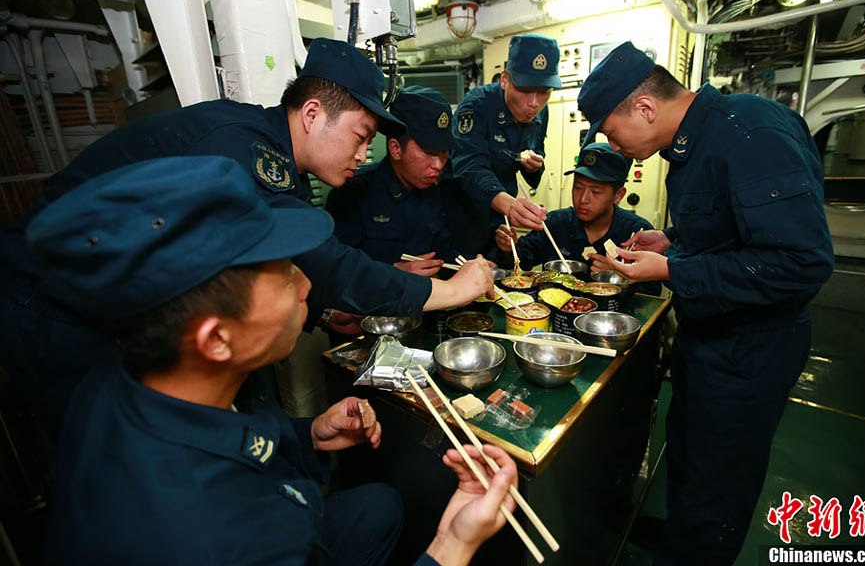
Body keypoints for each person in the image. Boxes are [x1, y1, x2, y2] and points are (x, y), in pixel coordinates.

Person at [32, 156, 518, 566]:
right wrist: (454, 541)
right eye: (286, 275)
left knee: (380, 504)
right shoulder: (229, 535)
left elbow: (227, 434)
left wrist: (307, 435)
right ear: (216, 338)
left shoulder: (118, 382)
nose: (306, 285)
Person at [0, 37, 493, 435]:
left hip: (103, 299)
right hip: (49, 301)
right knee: (106, 452)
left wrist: (324, 311)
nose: (365, 153)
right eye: (361, 135)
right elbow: (328, 263)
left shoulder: (280, 163)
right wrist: (451, 290)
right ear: (313, 114)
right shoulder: (247, 150)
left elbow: (281, 266)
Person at [578, 42, 834, 564]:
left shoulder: (749, 135)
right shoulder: (694, 142)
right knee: (690, 452)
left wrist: (673, 269)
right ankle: (681, 537)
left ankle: (698, 550)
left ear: (644, 109)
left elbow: (800, 261)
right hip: (709, 336)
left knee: (721, 478)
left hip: (751, 351)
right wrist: (673, 242)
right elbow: (734, 232)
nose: (614, 144)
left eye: (610, 132)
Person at [443, 34, 561, 256]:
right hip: (463, 218)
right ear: (505, 79)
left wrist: (533, 167)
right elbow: (469, 167)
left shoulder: (542, 113)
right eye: (525, 90)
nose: (534, 103)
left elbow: (538, 155)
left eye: (544, 92)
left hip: (500, 220)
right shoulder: (477, 106)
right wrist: (510, 205)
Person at [492, 142, 661, 295]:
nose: (583, 199)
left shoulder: (637, 233)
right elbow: (519, 263)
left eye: (596, 191)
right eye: (578, 187)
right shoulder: (555, 223)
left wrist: (619, 277)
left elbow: (652, 293)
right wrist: (508, 248)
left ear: (618, 195)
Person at [326, 86, 457, 277]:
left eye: (445, 154)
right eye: (430, 153)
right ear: (396, 149)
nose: (438, 165)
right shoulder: (353, 194)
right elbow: (335, 271)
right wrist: (392, 273)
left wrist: (470, 266)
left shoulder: (433, 191)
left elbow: (443, 252)